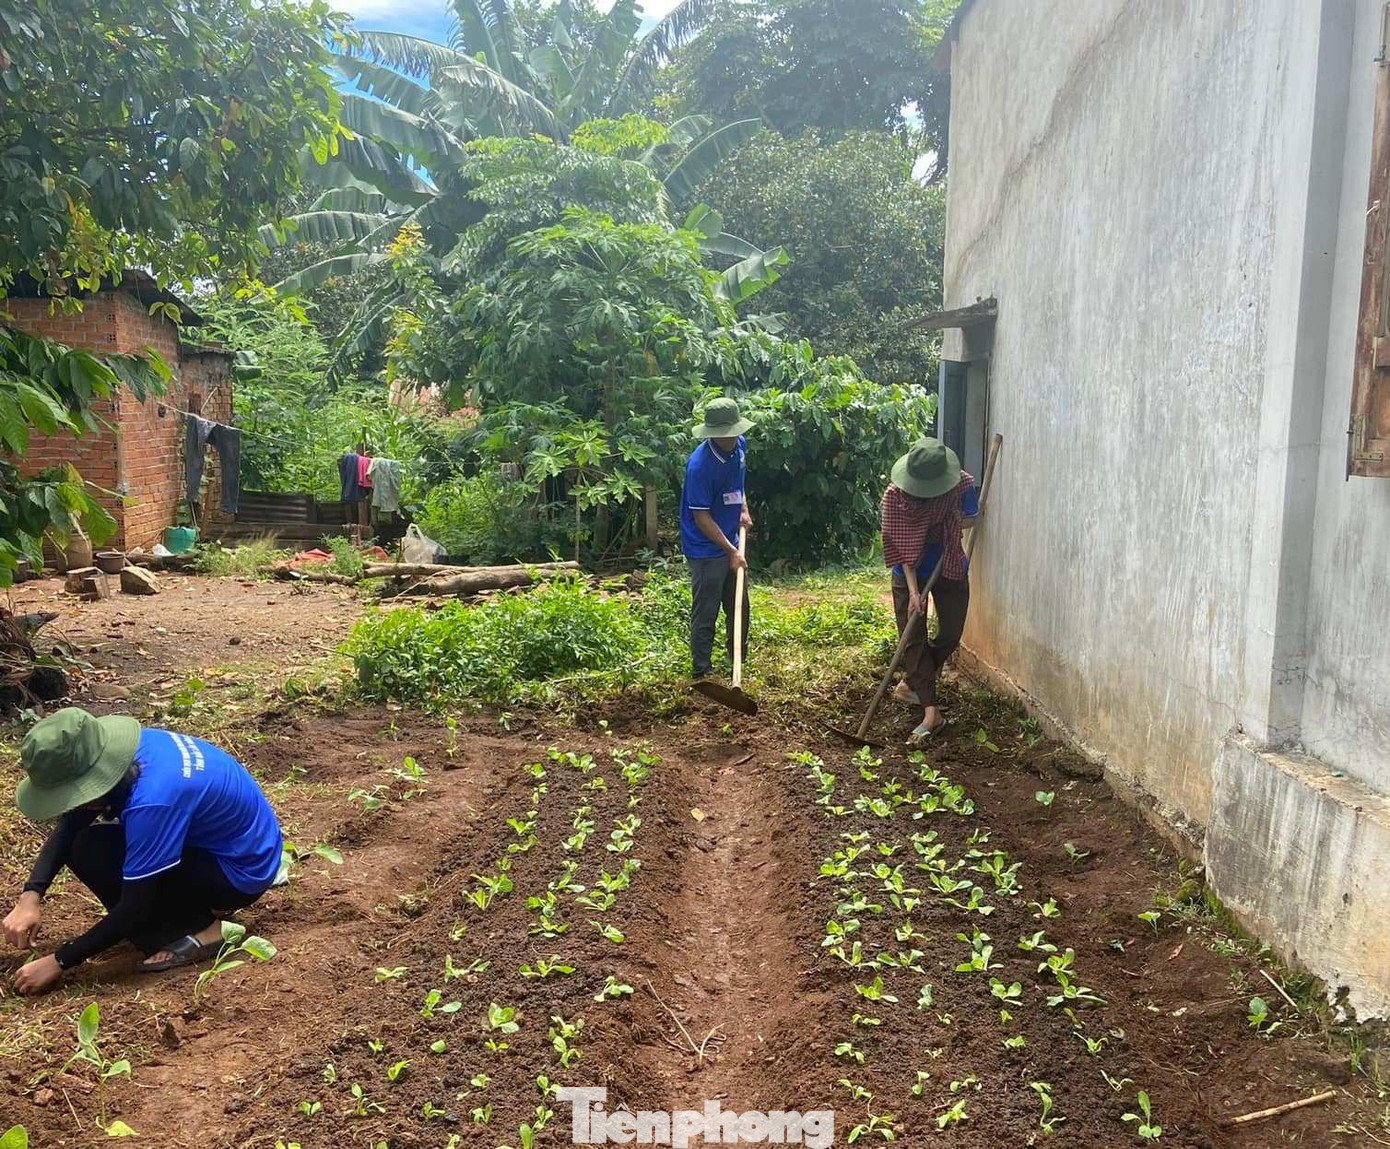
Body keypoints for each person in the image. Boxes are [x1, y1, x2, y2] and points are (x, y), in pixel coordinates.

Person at [3, 708, 283, 996]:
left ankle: (202, 930)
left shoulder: (152, 802)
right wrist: (31, 895)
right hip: (236, 842)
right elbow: (72, 824)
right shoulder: (120, 752)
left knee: (92, 853)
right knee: (84, 843)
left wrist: (60, 961)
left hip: (240, 872)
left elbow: (134, 906)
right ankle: (185, 911)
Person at [880, 438, 979, 743]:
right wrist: (913, 593)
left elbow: (972, 517)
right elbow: (901, 549)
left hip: (948, 563)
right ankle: (931, 712)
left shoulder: (961, 486)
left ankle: (914, 682)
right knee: (913, 639)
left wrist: (955, 522)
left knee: (951, 633)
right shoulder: (895, 498)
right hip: (908, 572)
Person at [680, 397, 755, 681]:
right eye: (723, 435)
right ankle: (702, 670)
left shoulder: (740, 446)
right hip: (705, 547)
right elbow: (701, 517)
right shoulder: (699, 466)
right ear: (711, 433)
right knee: (707, 609)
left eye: (732, 433)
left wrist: (743, 509)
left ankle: (737, 660)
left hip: (732, 538)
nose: (729, 439)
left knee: (739, 604)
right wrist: (731, 551)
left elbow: (738, 483)